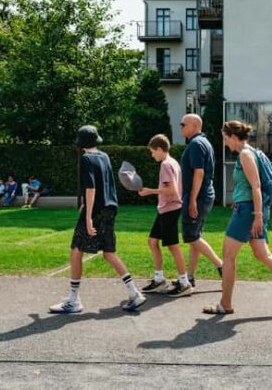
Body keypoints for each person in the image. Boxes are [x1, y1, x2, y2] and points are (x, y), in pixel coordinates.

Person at [203, 121, 272, 316]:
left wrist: (257, 216)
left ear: (233, 137)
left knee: (227, 256)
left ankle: (225, 304)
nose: (225, 144)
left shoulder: (245, 154)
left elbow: (256, 186)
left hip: (248, 213)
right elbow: (248, 187)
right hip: (249, 209)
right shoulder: (252, 152)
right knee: (263, 255)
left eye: (226, 139)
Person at [49, 125, 146, 314]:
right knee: (109, 253)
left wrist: (88, 217)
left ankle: (74, 299)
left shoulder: (86, 159)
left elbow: (91, 189)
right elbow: (105, 185)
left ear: (81, 142)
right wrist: (87, 205)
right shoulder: (104, 156)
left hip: (97, 211)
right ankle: (134, 292)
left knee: (76, 250)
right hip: (110, 208)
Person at [176, 113, 223, 293]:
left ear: (195, 126)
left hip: (198, 196)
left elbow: (199, 173)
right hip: (204, 195)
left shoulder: (196, 144)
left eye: (183, 124)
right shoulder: (204, 142)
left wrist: (192, 200)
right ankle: (190, 277)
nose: (181, 127)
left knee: (191, 236)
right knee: (195, 237)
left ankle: (221, 266)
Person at [138, 134, 190, 296]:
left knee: (173, 246)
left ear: (160, 149)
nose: (152, 155)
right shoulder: (173, 162)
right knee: (153, 242)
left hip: (170, 209)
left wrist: (150, 191)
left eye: (153, 152)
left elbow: (171, 190)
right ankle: (159, 279)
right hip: (165, 210)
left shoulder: (166, 165)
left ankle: (184, 282)